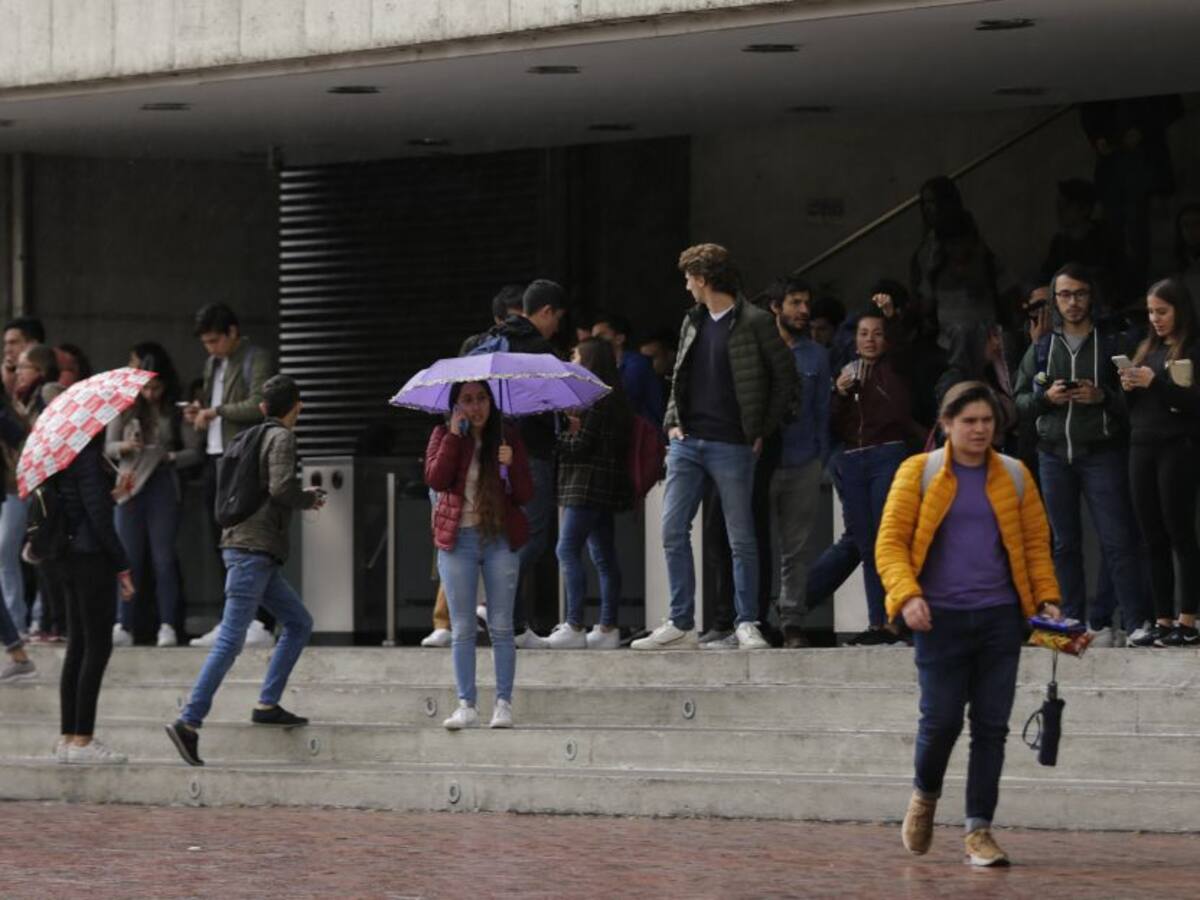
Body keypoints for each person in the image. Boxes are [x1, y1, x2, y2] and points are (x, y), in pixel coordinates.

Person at [876, 381, 1061, 867]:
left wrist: (1047, 598)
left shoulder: (1015, 475)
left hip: (1001, 618)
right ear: (946, 424)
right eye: (969, 421)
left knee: (991, 727)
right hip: (939, 618)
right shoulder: (918, 472)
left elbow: (1036, 544)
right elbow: (890, 543)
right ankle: (925, 795)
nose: (980, 430)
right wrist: (907, 596)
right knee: (940, 721)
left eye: (987, 421)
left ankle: (979, 830)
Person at [633, 243, 795, 650]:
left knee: (741, 537)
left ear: (703, 279)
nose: (686, 286)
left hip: (732, 444)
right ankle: (680, 621)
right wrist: (672, 422)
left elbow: (786, 379)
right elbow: (679, 375)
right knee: (672, 529)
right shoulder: (693, 321)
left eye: (689, 278)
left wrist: (760, 428)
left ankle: (746, 621)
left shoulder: (756, 321)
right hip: (687, 442)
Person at [166, 376, 324, 767]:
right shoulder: (281, 438)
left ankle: (267, 704)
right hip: (252, 552)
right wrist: (308, 498)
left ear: (263, 407)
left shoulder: (246, 437)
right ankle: (189, 721)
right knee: (230, 640)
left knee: (299, 622)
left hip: (248, 549)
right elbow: (281, 487)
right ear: (298, 406)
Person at [1013, 264, 1150, 645]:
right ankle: (1071, 626)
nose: (1072, 302)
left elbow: (1137, 401)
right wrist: (1047, 398)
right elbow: (1018, 402)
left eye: (1080, 294)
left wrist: (1101, 396)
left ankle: (1134, 623)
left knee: (1118, 539)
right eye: (1064, 295)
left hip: (1102, 451)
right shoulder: (1043, 347)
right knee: (1063, 544)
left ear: (1092, 296)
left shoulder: (1112, 343)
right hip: (1053, 454)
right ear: (1055, 300)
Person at [424, 380, 533, 728]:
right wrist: (454, 438)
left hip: (498, 538)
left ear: (491, 401)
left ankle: (503, 704)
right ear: (455, 405)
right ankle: (466, 706)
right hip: (459, 541)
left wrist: (511, 464)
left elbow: (526, 494)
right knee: (462, 628)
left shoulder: (507, 437)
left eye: (482, 398)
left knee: (501, 626)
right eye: (467, 400)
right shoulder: (442, 435)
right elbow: (436, 479)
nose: (476, 407)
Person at [476, 280, 567, 647]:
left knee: (510, 533)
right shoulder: (538, 351)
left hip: (495, 453)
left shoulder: (492, 341)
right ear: (545, 312)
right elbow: (547, 407)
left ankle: (513, 626)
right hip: (531, 455)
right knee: (533, 536)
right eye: (556, 318)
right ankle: (495, 600)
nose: (556, 327)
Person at [828, 307, 921, 645]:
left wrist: (892, 317)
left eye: (877, 333)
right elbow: (832, 424)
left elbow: (904, 354)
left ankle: (898, 620)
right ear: (854, 340)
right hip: (853, 459)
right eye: (863, 334)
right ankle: (877, 622)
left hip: (887, 454)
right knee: (867, 544)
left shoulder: (895, 367)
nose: (870, 340)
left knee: (889, 538)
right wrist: (839, 393)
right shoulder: (846, 372)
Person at [184, 303, 274, 649]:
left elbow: (259, 404)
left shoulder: (255, 358)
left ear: (233, 332)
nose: (211, 348)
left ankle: (258, 619)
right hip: (214, 456)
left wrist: (217, 411)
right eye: (206, 342)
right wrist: (200, 412)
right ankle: (234, 617)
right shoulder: (213, 364)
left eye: (214, 340)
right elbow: (212, 405)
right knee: (221, 541)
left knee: (247, 540)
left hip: (241, 458)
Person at [107, 343, 203, 648]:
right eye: (146, 387)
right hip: (130, 484)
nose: (151, 394)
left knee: (163, 559)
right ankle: (124, 623)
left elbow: (194, 452)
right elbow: (108, 447)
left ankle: (168, 624)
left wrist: (169, 456)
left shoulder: (175, 411)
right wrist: (125, 446)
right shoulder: (124, 407)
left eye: (156, 388)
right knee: (127, 559)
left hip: (162, 483)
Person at [1121, 278, 1200, 647]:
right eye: (1151, 312)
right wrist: (1128, 387)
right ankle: (1162, 618)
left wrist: (1155, 383)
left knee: (1179, 531)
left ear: (1179, 310)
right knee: (1151, 536)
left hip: (1177, 447)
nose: (1155, 318)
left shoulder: (1192, 349)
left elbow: (1192, 403)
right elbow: (1131, 410)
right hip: (1142, 445)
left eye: (1162, 311)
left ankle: (1189, 618)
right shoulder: (1145, 348)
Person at [544, 338, 633, 650]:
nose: (572, 362)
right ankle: (607, 627)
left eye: (576, 357)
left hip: (584, 486)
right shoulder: (611, 397)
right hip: (602, 487)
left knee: (566, 550)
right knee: (603, 556)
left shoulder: (594, 398)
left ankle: (574, 623)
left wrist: (560, 435)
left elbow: (580, 446)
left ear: (591, 362)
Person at [56, 431, 137, 764]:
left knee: (78, 645)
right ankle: (83, 739)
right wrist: (123, 566)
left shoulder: (63, 452)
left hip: (68, 556)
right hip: (91, 558)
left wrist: (114, 494)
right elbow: (99, 519)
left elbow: (84, 506)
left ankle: (68, 738)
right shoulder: (87, 456)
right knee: (97, 645)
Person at [766, 277, 831, 648]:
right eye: (795, 303)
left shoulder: (816, 355)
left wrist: (820, 455)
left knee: (796, 549)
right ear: (776, 307)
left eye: (806, 303)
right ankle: (752, 618)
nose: (804, 310)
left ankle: (791, 621)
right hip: (762, 461)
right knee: (752, 544)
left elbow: (822, 410)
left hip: (804, 459)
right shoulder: (760, 348)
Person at [13, 345, 65, 640]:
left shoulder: (48, 392)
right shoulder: (26, 397)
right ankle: (47, 621)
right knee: (39, 553)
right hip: (36, 481)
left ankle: (56, 623)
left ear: (40, 371)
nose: (18, 373)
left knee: (47, 553)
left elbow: (53, 433)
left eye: (24, 367)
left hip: (51, 484)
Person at [0, 317, 44, 634]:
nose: (8, 350)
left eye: (14, 343)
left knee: (40, 550)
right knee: (7, 551)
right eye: (5, 345)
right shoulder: (9, 387)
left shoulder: (44, 389)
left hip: (35, 482)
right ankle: (15, 622)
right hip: (12, 484)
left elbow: (21, 432)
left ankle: (40, 618)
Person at [591, 312, 665, 427]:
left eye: (601, 336)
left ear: (619, 338)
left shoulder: (636, 364)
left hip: (646, 432)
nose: (594, 342)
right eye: (593, 338)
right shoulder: (609, 364)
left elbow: (624, 399)